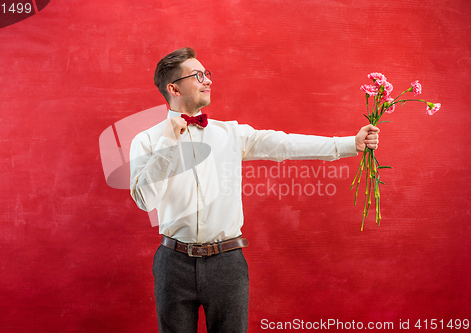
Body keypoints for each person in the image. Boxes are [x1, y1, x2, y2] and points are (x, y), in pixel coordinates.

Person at [129, 47, 379, 333]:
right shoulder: (147, 140)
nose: (207, 80)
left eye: (206, 74)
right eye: (198, 75)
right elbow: (145, 200)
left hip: (227, 262)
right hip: (172, 263)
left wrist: (349, 144)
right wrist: (169, 138)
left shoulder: (232, 134)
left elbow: (284, 144)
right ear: (173, 87)